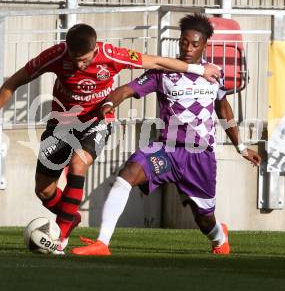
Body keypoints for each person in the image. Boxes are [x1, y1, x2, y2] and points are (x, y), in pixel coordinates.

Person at [0, 23, 221, 254]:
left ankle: (61, 238)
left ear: (94, 49)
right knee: (44, 190)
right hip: (62, 124)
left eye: (85, 60)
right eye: (75, 60)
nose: (80, 65)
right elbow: (13, 82)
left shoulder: (111, 55)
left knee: (79, 165)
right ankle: (71, 217)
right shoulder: (55, 56)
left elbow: (156, 62)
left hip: (98, 121)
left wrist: (199, 69)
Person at [71, 14, 261, 256]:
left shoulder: (215, 74)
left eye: (194, 44)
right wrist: (109, 104)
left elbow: (223, 108)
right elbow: (127, 89)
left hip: (199, 156)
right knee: (127, 174)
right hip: (167, 149)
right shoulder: (163, 72)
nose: (188, 48)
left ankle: (219, 238)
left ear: (204, 45)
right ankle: (102, 243)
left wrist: (242, 147)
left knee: (204, 219)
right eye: (184, 42)